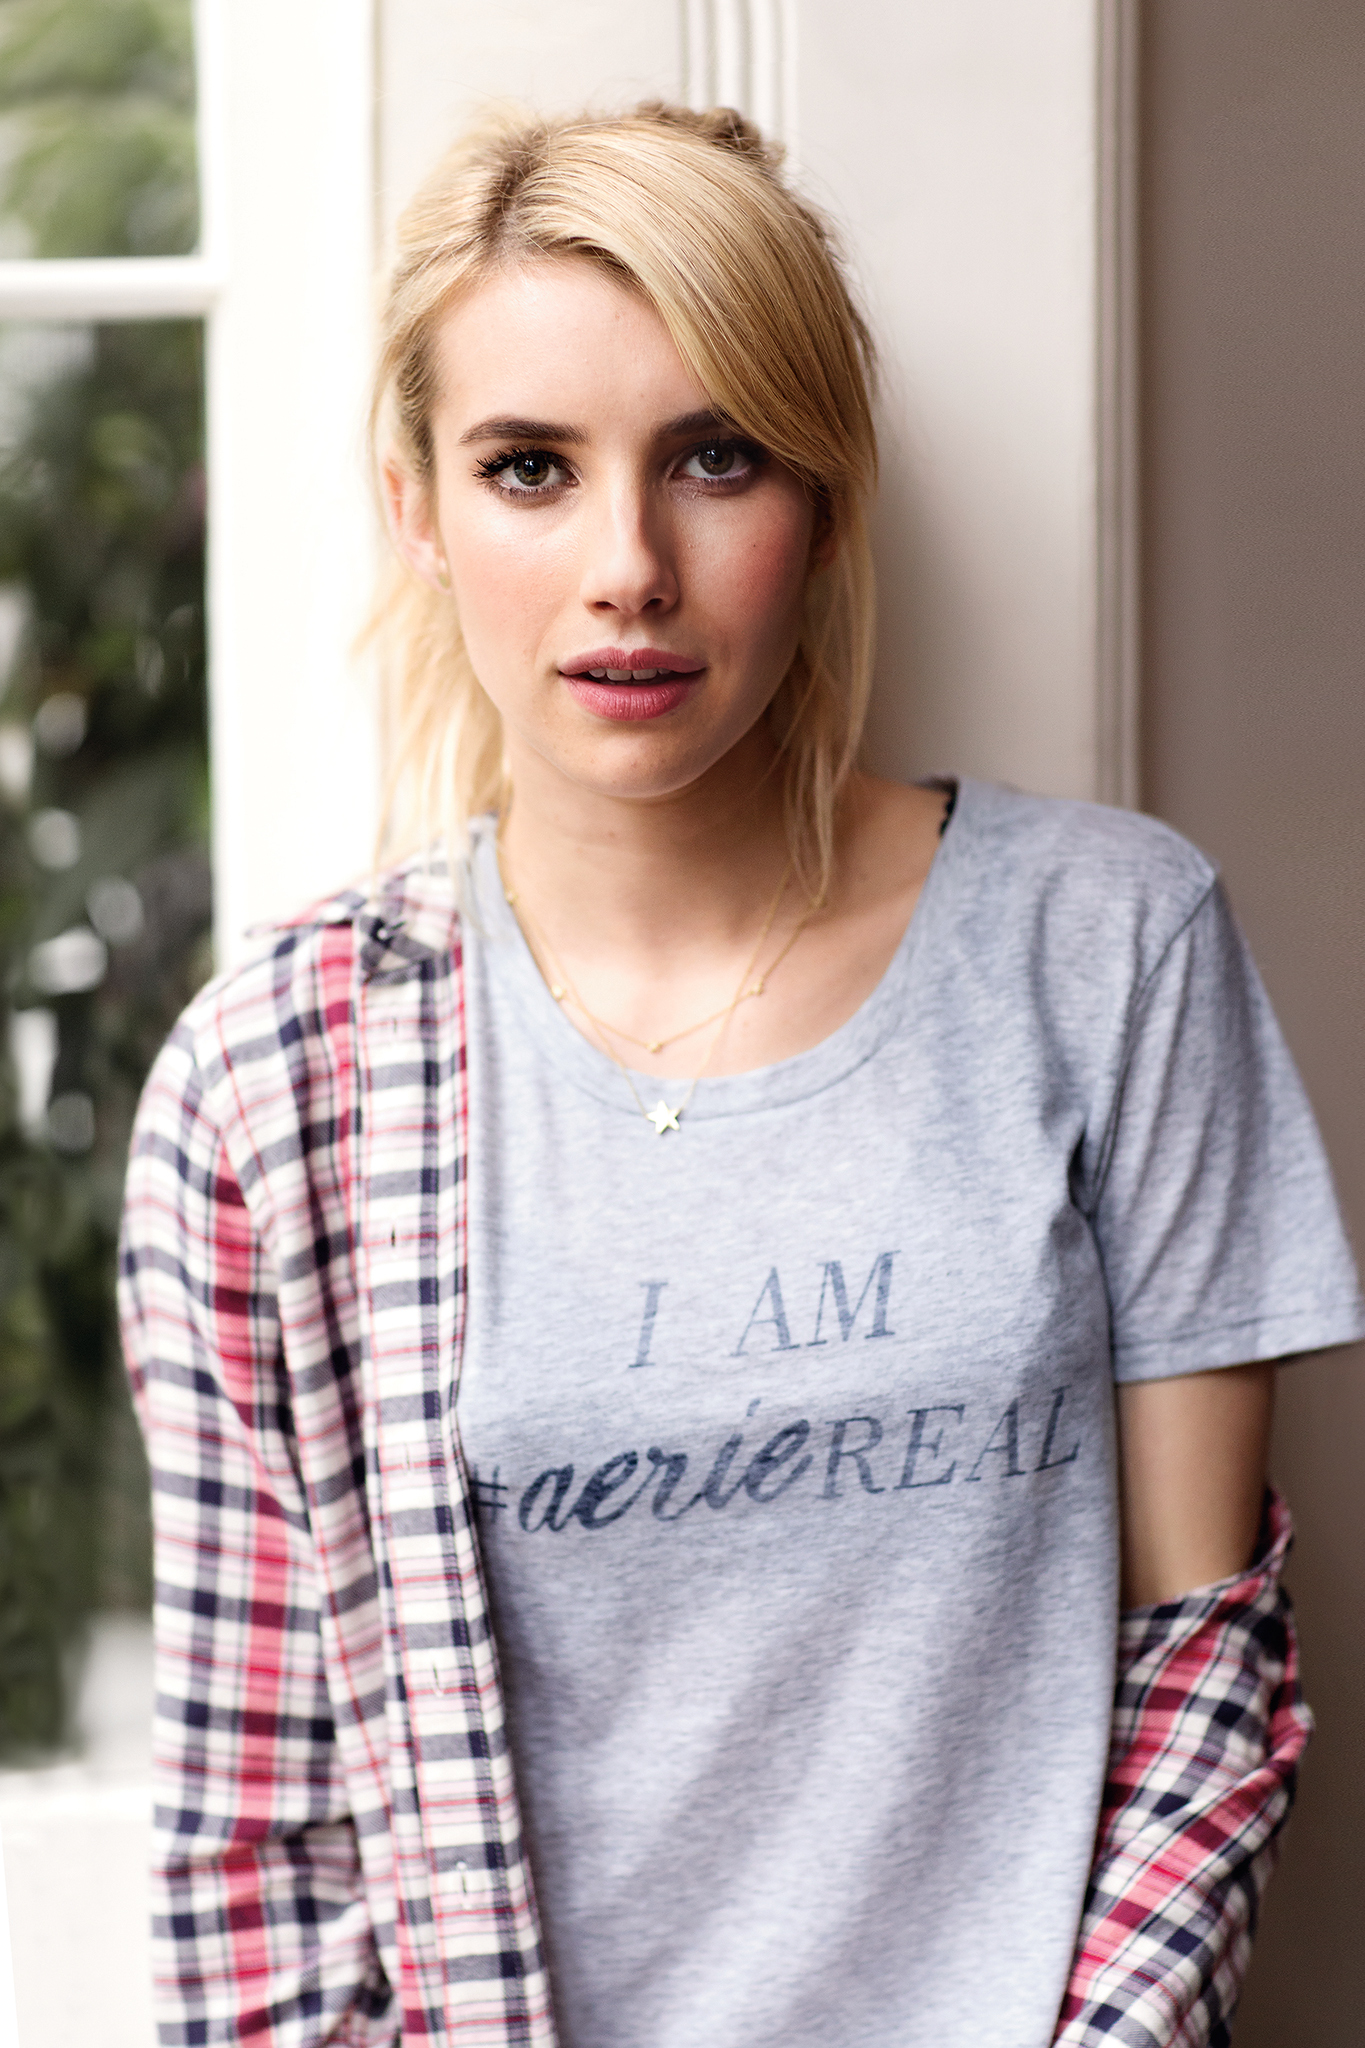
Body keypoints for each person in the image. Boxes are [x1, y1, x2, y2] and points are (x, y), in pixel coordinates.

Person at [119, 103, 1364, 2048]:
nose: (627, 566)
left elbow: (1199, 1670)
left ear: (825, 495)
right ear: (417, 507)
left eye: (715, 458)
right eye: (529, 468)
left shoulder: (1106, 947)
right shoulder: (273, 1085)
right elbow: (260, 1863)